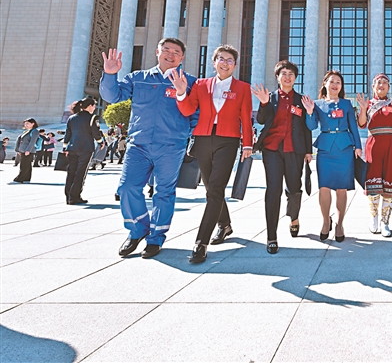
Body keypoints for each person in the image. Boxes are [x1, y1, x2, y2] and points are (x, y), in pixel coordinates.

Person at [100, 39, 197, 259]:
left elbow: (196, 113)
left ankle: (156, 238)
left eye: (176, 52)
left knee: (164, 192)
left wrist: (185, 135)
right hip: (139, 145)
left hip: (171, 146)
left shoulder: (190, 82)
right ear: (157, 52)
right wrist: (110, 75)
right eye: (166, 50)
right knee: (127, 187)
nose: (170, 54)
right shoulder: (138, 78)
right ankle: (137, 229)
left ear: (182, 57)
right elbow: (113, 96)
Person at [173, 44, 253, 264]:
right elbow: (188, 109)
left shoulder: (242, 88)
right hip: (203, 139)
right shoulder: (201, 84)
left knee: (216, 189)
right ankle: (225, 224)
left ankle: (201, 243)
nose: (225, 63)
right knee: (211, 188)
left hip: (228, 141)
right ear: (214, 62)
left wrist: (247, 144)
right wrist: (181, 93)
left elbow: (246, 118)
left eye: (230, 60)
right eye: (221, 59)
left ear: (235, 65)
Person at [252, 60, 313, 255]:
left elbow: (306, 127)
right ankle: (271, 236)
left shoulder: (302, 100)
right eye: (283, 74)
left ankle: (293, 217)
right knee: (273, 190)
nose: (287, 77)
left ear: (295, 78)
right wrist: (263, 103)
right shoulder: (270, 98)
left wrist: (308, 151)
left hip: (294, 150)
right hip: (272, 149)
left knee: (294, 189)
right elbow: (261, 119)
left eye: (291, 74)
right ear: (278, 77)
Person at [303, 70, 363, 242]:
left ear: (341, 86)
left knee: (342, 189)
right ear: (325, 84)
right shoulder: (317, 104)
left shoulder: (346, 104)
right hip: (325, 149)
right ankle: (325, 221)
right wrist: (309, 112)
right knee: (324, 187)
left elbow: (353, 126)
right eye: (332, 81)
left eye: (338, 82)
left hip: (344, 148)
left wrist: (358, 146)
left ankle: (340, 224)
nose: (335, 85)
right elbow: (311, 126)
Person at [357, 73, 392, 237]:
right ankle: (374, 218)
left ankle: (385, 221)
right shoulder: (369, 103)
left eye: (385, 83)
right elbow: (362, 124)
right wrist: (363, 109)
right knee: (373, 183)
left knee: (390, 183)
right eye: (378, 83)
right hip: (373, 146)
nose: (381, 85)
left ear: (389, 87)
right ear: (373, 86)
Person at [63, 97, 105, 205]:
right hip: (85, 148)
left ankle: (68, 196)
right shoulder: (92, 118)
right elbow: (96, 132)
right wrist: (101, 142)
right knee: (80, 172)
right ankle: (74, 196)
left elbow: (68, 134)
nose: (94, 108)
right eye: (94, 106)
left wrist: (65, 147)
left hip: (72, 148)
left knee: (71, 172)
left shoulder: (72, 118)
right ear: (90, 106)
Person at [12, 119, 39, 183]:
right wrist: (19, 150)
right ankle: (26, 178)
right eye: (25, 124)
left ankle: (20, 178)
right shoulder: (27, 131)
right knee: (27, 165)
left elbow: (32, 142)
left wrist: (28, 150)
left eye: (27, 123)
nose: (26, 125)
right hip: (23, 150)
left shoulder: (35, 131)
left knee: (24, 165)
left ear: (33, 124)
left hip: (28, 151)